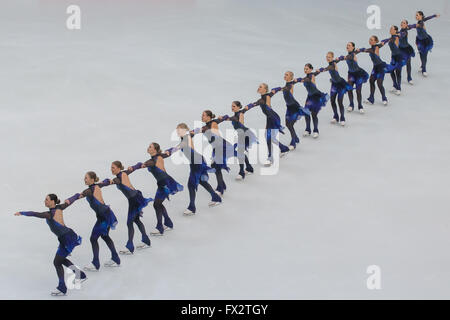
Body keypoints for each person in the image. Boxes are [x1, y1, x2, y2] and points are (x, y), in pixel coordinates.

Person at [14, 193, 87, 296]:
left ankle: (62, 288)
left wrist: (22, 212)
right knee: (60, 260)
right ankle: (80, 275)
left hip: (67, 239)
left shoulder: (49, 214)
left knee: (57, 262)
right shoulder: (60, 207)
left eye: (47, 200)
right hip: (66, 237)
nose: (45, 201)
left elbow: (35, 213)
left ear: (53, 201)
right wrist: (77, 195)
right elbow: (69, 201)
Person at [165, 123, 222, 215]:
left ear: (184, 130)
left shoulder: (186, 138)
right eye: (177, 130)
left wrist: (170, 150)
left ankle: (192, 208)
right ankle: (216, 198)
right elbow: (195, 132)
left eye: (179, 130)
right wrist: (200, 129)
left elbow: (180, 145)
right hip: (195, 162)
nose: (177, 131)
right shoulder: (187, 136)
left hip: (197, 162)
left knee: (191, 185)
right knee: (202, 182)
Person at [127, 143, 183, 236]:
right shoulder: (160, 155)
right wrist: (177, 147)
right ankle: (168, 223)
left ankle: (160, 228)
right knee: (158, 204)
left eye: (150, 147)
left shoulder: (153, 160)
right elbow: (169, 152)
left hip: (165, 184)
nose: (148, 148)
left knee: (156, 204)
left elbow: (145, 164)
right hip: (163, 183)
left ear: (155, 150)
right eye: (148, 146)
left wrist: (134, 167)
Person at [71, 171, 120, 271]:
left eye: (86, 178)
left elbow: (83, 194)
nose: (84, 179)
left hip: (104, 218)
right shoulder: (97, 186)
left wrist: (72, 198)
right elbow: (105, 182)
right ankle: (115, 259)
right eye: (84, 178)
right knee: (105, 236)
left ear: (92, 179)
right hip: (106, 215)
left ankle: (96, 263)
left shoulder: (90, 190)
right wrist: (108, 180)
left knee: (93, 239)